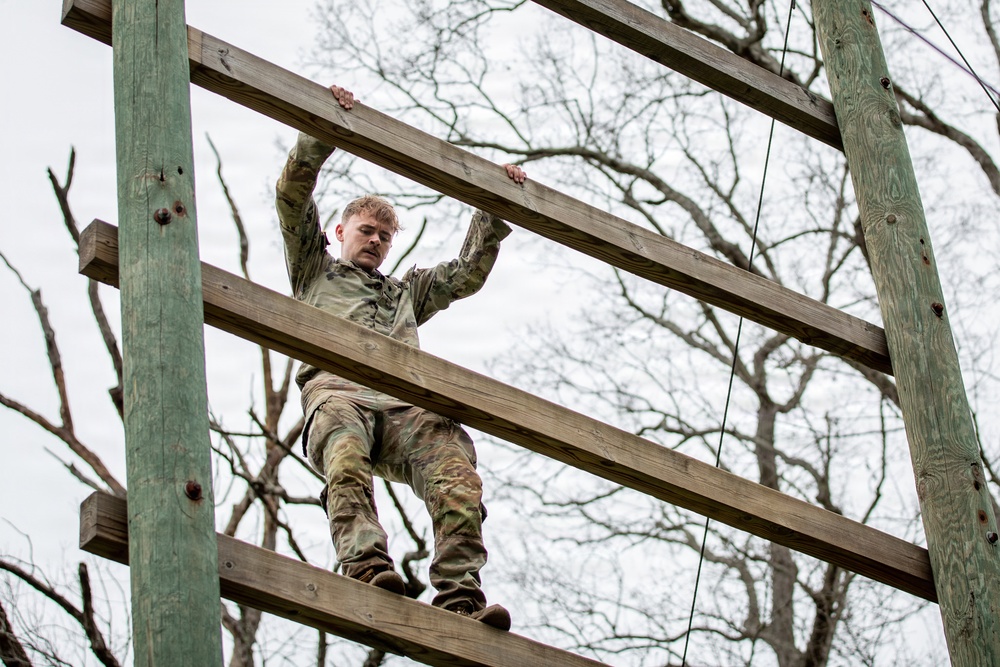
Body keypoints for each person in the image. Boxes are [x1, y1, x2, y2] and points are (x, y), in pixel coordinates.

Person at [276, 85, 526, 631]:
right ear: (341, 232)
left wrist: (494, 207)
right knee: (344, 460)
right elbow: (292, 197)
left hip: (402, 407)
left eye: (385, 237)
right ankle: (365, 565)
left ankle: (461, 594)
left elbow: (464, 276)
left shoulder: (402, 294)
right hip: (339, 395)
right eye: (367, 231)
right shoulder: (315, 270)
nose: (376, 242)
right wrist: (323, 126)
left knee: (456, 471)